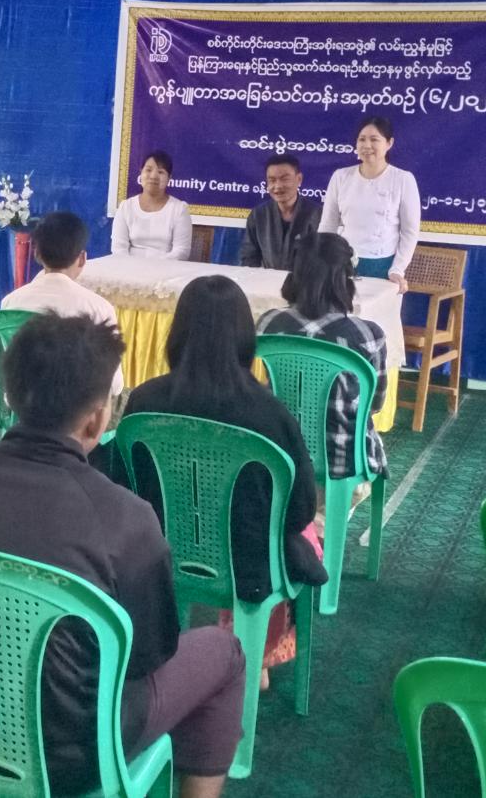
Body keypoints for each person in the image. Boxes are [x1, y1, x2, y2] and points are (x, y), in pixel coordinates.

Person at [0, 315, 245, 798]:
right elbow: (149, 656)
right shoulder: (126, 517)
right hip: (78, 757)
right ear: (96, 417)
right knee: (225, 653)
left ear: (9, 396)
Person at [123, 275, 328, 687]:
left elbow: (126, 487)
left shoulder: (144, 402)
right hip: (250, 563)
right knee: (308, 533)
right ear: (245, 338)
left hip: (157, 552)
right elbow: (300, 509)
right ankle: (259, 654)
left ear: (177, 333)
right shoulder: (271, 414)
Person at [258, 233, 389, 484]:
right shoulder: (369, 335)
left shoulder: (268, 324)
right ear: (345, 281)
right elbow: (374, 404)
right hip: (345, 464)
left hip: (280, 457)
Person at [1, 210, 123, 397]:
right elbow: (114, 385)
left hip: (24, 400)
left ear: (37, 253)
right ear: (82, 258)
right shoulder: (99, 307)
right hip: (75, 408)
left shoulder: (11, 302)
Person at [318, 117, 421, 291]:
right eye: (362, 139)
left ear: (389, 143)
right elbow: (328, 224)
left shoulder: (403, 179)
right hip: (341, 263)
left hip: (382, 266)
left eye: (374, 139)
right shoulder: (341, 176)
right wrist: (320, 260)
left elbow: (409, 232)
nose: (367, 145)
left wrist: (397, 269)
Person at [240, 153, 321, 270]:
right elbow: (249, 257)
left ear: (299, 179)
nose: (277, 186)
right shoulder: (258, 215)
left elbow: (324, 258)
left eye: (285, 179)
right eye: (272, 180)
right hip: (267, 279)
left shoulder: (317, 214)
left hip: (306, 279)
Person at [111, 150, 192, 260]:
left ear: (169, 178)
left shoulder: (179, 209)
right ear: (141, 173)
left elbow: (181, 251)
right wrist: (133, 267)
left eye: (161, 172)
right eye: (148, 170)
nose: (153, 176)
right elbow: (118, 249)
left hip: (166, 268)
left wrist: (154, 266)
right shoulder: (125, 207)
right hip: (129, 267)